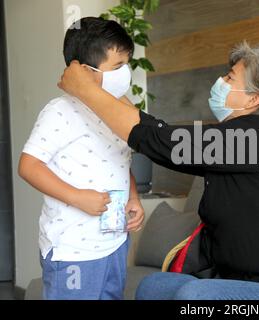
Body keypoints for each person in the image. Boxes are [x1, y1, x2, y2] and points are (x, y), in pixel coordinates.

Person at [57, 41, 259, 300]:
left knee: (196, 296)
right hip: (251, 286)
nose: (220, 81)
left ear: (253, 99)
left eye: (229, 77)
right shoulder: (236, 142)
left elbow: (162, 142)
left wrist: (85, 90)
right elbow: (159, 132)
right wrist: (104, 85)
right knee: (153, 287)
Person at [18, 17, 145, 300]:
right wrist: (77, 197)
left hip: (114, 243)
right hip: (73, 247)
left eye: (127, 64)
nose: (125, 73)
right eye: (118, 66)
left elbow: (122, 161)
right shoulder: (60, 111)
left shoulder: (116, 113)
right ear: (83, 71)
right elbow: (28, 165)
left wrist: (133, 197)